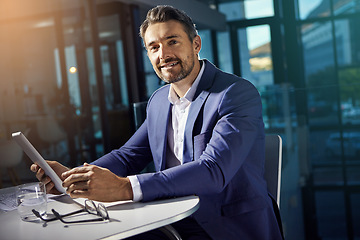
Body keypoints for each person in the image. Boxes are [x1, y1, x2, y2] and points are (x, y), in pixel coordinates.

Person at [31, 5, 283, 240]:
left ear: (196, 44)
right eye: (154, 47)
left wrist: (125, 188)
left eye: (172, 41)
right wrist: (76, 176)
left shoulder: (235, 93)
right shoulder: (159, 101)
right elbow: (128, 156)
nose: (164, 54)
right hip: (173, 220)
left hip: (228, 227)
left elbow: (213, 171)